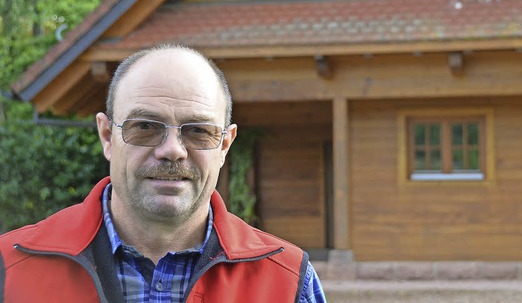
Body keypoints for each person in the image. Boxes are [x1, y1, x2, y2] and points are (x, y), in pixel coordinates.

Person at [0, 45, 327, 302]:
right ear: (106, 136)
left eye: (198, 130)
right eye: (145, 126)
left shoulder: (288, 282)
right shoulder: (9, 269)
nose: (173, 149)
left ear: (225, 145)